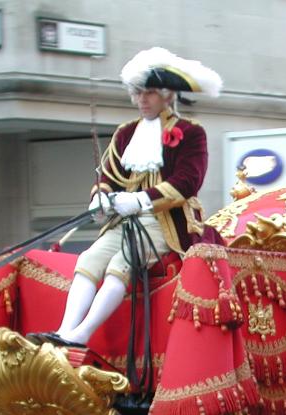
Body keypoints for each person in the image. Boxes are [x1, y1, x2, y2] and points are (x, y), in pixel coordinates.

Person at [45, 47, 222, 347]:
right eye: (137, 92)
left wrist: (141, 200)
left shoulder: (189, 132)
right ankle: (64, 329)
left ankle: (82, 334)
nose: (142, 99)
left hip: (164, 222)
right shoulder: (125, 133)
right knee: (89, 259)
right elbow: (108, 176)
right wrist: (101, 199)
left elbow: (188, 182)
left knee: (122, 263)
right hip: (123, 220)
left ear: (167, 95)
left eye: (149, 92)